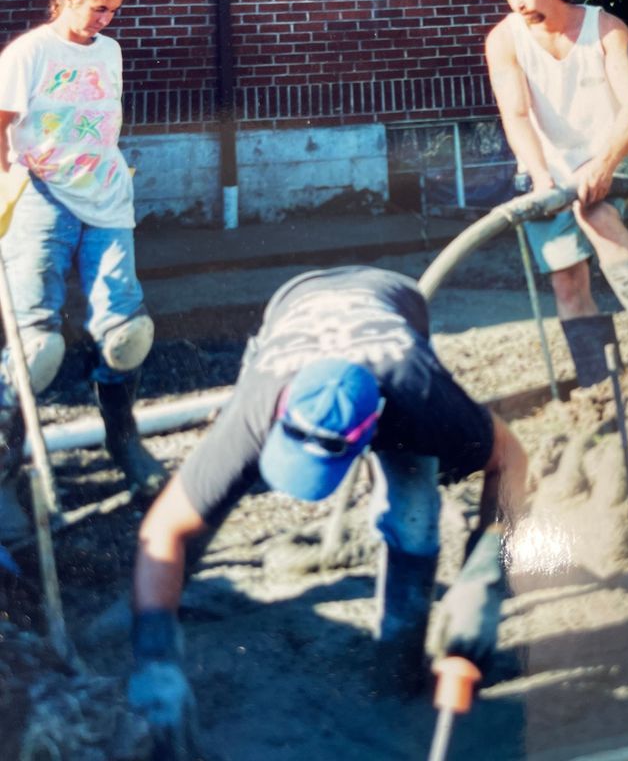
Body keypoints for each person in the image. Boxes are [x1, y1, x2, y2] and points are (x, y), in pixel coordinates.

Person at [127, 265, 527, 752]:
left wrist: (483, 580)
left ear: (371, 430)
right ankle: (163, 607)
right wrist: (155, 657)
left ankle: (398, 670)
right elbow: (165, 527)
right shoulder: (256, 409)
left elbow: (511, 459)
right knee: (205, 501)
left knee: (416, 518)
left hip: (393, 305)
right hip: (296, 302)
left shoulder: (419, 395)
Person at [0, 0, 166, 543]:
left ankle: (124, 443)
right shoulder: (28, 53)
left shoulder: (108, 50)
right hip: (42, 194)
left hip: (106, 196)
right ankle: (3, 474)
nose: (104, 19)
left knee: (126, 334)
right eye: (96, 7)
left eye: (113, 11)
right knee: (37, 344)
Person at [486, 0, 628, 386]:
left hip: (608, 154)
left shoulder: (607, 29)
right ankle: (597, 382)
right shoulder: (505, 40)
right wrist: (541, 179)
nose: (517, 5)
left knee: (597, 215)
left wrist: (604, 164)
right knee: (566, 280)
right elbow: (517, 115)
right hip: (547, 169)